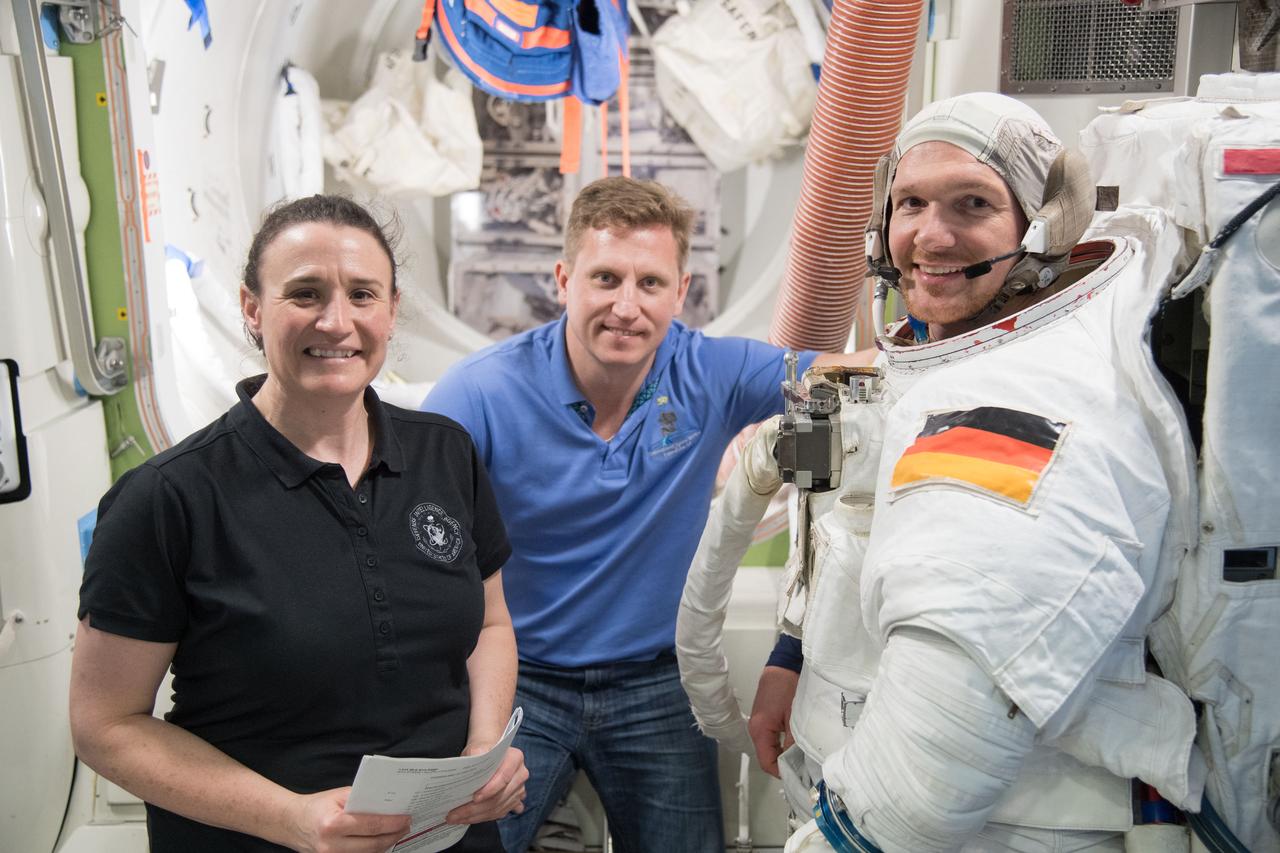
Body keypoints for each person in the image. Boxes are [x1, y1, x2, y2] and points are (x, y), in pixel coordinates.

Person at [744, 93, 1204, 851]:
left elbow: (926, 781)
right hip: (848, 768)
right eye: (911, 202)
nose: (931, 233)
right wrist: (790, 655)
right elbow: (857, 532)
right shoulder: (932, 360)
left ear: (1040, 227)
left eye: (973, 204)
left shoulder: (1025, 398)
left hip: (993, 822)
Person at [71, 195, 527, 852]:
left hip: (444, 835)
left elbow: (489, 622)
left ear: (392, 309)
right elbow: (103, 724)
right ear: (253, 309)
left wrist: (484, 750)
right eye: (305, 293)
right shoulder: (168, 499)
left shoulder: (444, 452)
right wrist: (288, 817)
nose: (337, 321)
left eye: (362, 294)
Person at [423, 177, 854, 852]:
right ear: (564, 279)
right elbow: (406, 530)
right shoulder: (480, 392)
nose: (627, 307)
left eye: (650, 283)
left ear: (681, 293)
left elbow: (850, 378)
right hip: (521, 676)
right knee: (461, 844)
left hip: (657, 679)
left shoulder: (709, 371)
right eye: (605, 278)